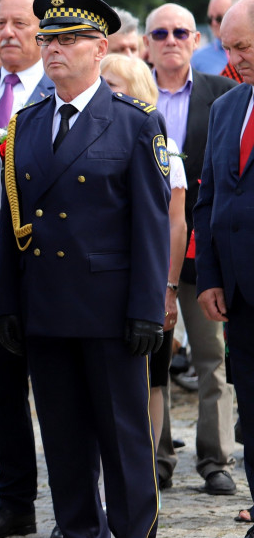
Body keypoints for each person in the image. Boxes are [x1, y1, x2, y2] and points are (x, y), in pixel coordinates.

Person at [0, 0, 169, 538]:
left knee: (122, 437)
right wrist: (9, 302)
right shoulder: (26, 125)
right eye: (48, 39)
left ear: (101, 48)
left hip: (110, 307)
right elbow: (9, 224)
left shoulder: (134, 123)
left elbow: (151, 225)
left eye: (68, 40)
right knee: (65, 439)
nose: (53, 50)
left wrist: (149, 306)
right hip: (47, 305)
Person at [0, 0, 59, 538]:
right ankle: (14, 502)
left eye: (20, 23)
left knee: (59, 393)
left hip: (52, 267)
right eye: (0, 23)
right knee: (1, 393)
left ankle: (74, 505)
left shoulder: (65, 85)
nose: (7, 33)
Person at [144, 2, 239, 494]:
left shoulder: (223, 94)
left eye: (181, 31)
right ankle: (157, 457)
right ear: (147, 42)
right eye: (160, 32)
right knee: (152, 358)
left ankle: (215, 459)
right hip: (148, 249)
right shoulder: (132, 93)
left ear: (197, 39)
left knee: (210, 359)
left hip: (205, 249)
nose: (171, 39)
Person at [101, 53, 188, 496]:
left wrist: (167, 289)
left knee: (152, 379)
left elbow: (174, 223)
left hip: (147, 284)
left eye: (114, 85)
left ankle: (146, 471)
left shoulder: (160, 144)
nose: (106, 92)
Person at [198, 0, 254, 538]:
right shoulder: (227, 106)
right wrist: (210, 276)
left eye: (245, 48)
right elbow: (210, 197)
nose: (234, 59)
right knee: (253, 414)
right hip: (239, 293)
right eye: (230, 47)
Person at [192, 0, 239, 74]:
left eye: (219, 18)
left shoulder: (249, 51)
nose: (214, 23)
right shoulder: (197, 58)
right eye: (209, 19)